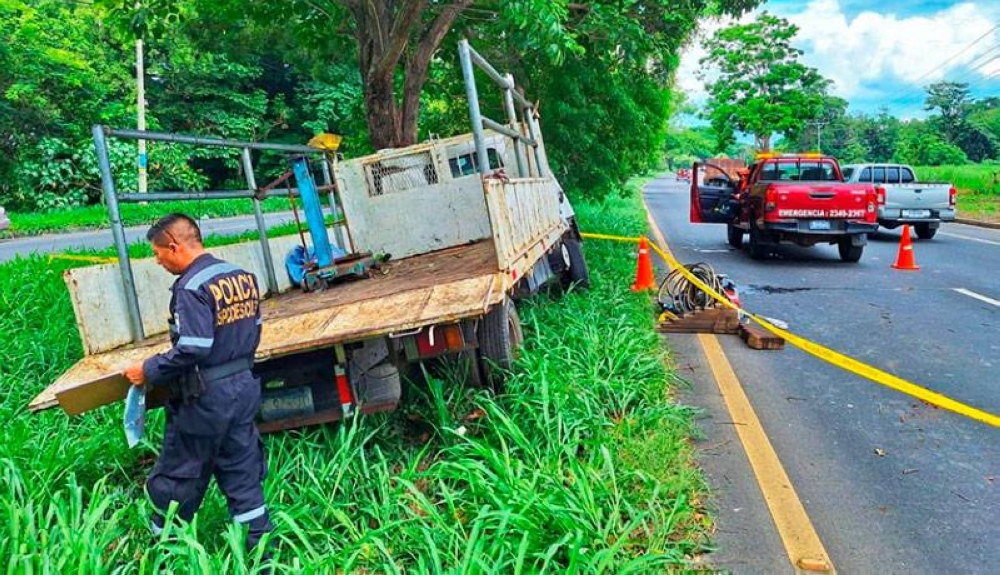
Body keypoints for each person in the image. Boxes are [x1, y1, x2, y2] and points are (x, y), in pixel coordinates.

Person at [122, 213, 272, 551]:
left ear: (173, 246)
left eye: (158, 254)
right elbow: (255, 330)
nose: (158, 261)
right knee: (243, 473)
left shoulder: (191, 287)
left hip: (205, 399)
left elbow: (194, 347)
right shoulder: (241, 277)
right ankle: (263, 556)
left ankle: (165, 555)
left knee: (179, 475)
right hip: (243, 388)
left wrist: (149, 369)